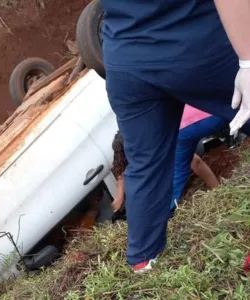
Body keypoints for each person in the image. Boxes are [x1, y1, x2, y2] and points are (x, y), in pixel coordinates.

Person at [99, 0, 250, 273]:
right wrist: (248, 60)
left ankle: (143, 261)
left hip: (125, 57)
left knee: (145, 163)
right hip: (195, 42)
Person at [110, 104, 226, 218]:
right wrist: (119, 200)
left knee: (173, 191)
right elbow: (121, 172)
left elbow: (196, 162)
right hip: (191, 125)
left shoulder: (157, 141)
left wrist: (217, 190)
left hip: (192, 140)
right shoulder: (137, 139)